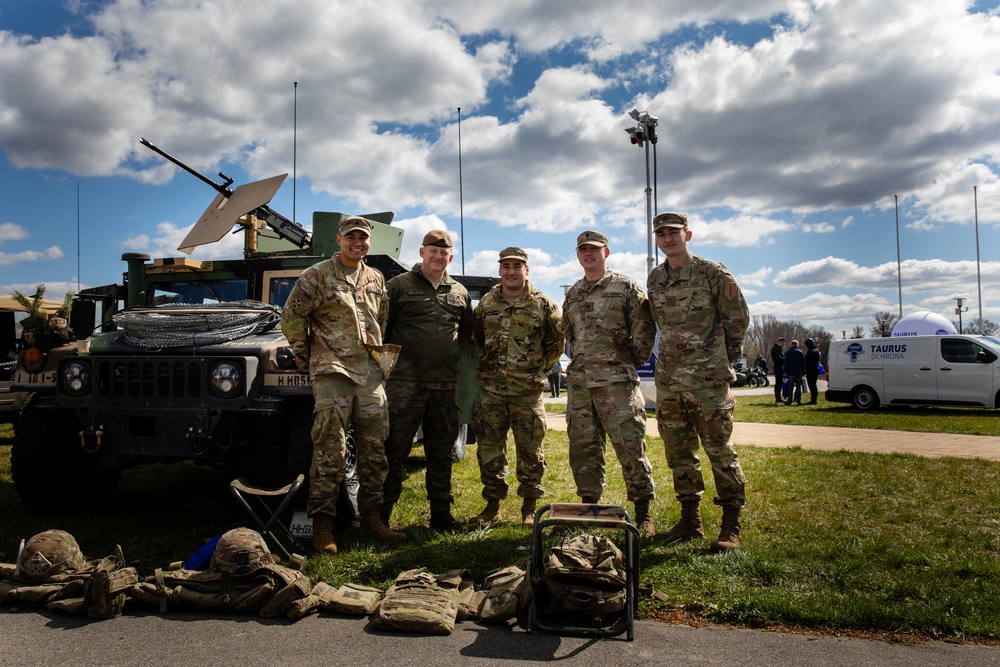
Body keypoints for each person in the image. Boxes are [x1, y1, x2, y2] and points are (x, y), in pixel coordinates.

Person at [280, 215, 406, 554]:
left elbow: (380, 321)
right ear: (339, 240)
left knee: (375, 452)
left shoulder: (376, 278)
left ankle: (372, 519)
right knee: (329, 452)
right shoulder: (317, 275)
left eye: (363, 238)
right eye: (351, 237)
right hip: (333, 374)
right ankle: (322, 526)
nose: (358, 243)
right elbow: (291, 318)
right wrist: (310, 358)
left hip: (369, 376)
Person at [646, 212, 750, 552]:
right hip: (671, 380)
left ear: (687, 234)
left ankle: (730, 526)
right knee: (679, 453)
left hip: (708, 381)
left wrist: (723, 360)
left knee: (719, 450)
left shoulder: (712, 273)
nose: (667, 238)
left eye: (673, 232)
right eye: (661, 234)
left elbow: (737, 318)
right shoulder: (656, 279)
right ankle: (690, 521)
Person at [562, 231, 658, 538]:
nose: (588, 254)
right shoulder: (574, 292)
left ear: (606, 252)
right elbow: (571, 335)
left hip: (617, 385)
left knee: (631, 448)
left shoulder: (625, 287)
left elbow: (644, 331)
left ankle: (643, 512)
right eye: (583, 250)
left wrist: (625, 362)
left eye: (594, 249)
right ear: (578, 255)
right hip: (580, 387)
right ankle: (589, 507)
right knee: (583, 450)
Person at [381, 229, 473, 531]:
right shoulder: (398, 286)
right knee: (394, 449)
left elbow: (467, 336)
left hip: (445, 386)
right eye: (432, 251)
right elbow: (381, 331)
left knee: (441, 451)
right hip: (404, 384)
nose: (438, 256)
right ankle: (381, 515)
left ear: (451, 256)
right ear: (422, 253)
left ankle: (441, 515)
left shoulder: (459, 292)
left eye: (443, 252)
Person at [471, 247, 564, 526]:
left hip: (527, 392)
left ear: (527, 269)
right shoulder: (487, 302)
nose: (511, 271)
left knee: (530, 451)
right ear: (500, 270)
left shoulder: (543, 304)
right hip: (491, 392)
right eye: (506, 266)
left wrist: (538, 371)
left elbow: (555, 344)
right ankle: (492, 506)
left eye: (517, 266)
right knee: (489, 449)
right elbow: (478, 339)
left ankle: (529, 507)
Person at [783, 339, 806, 406]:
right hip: (799, 372)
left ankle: (789, 400)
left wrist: (785, 370)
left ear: (791, 344)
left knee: (790, 386)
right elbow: (803, 363)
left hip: (791, 372)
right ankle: (798, 401)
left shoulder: (788, 352)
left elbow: (786, 362)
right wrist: (803, 371)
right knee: (798, 387)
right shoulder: (801, 352)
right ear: (797, 345)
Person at [804, 338, 821, 405]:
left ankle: (814, 400)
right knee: (813, 385)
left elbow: (807, 361)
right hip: (814, 370)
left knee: (812, 385)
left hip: (811, 371)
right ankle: (814, 399)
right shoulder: (815, 351)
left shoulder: (812, 352)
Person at [770, 337, 786, 404]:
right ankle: (778, 398)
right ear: (779, 342)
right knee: (778, 384)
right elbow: (778, 359)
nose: (783, 344)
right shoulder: (776, 349)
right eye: (782, 343)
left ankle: (779, 398)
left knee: (779, 383)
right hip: (778, 368)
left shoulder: (778, 349)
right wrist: (786, 359)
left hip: (779, 368)